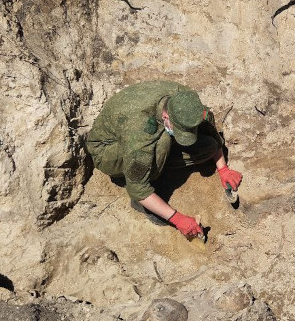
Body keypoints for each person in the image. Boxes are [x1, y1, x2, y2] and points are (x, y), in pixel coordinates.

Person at [86, 81, 242, 239]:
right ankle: (144, 204)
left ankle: (161, 162)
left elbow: (208, 122)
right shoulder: (141, 134)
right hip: (107, 150)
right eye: (180, 131)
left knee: (208, 146)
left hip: (136, 131)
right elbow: (137, 188)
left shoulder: (184, 99)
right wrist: (177, 219)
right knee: (162, 143)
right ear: (166, 116)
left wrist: (223, 169)